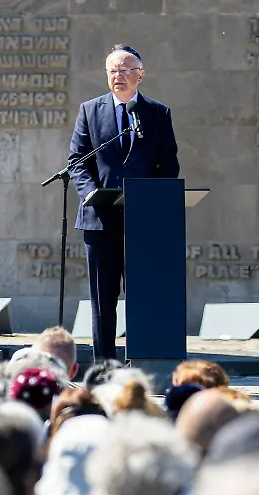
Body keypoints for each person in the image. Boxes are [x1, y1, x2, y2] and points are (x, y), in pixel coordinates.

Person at [69, 44, 179, 361]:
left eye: (125, 70)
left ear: (140, 75)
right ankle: (104, 365)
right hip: (100, 219)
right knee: (103, 300)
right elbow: (77, 161)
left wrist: (155, 202)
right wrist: (90, 193)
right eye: (113, 71)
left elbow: (168, 164)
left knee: (143, 296)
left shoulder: (158, 114)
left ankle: (141, 362)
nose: (118, 76)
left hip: (142, 221)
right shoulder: (90, 111)